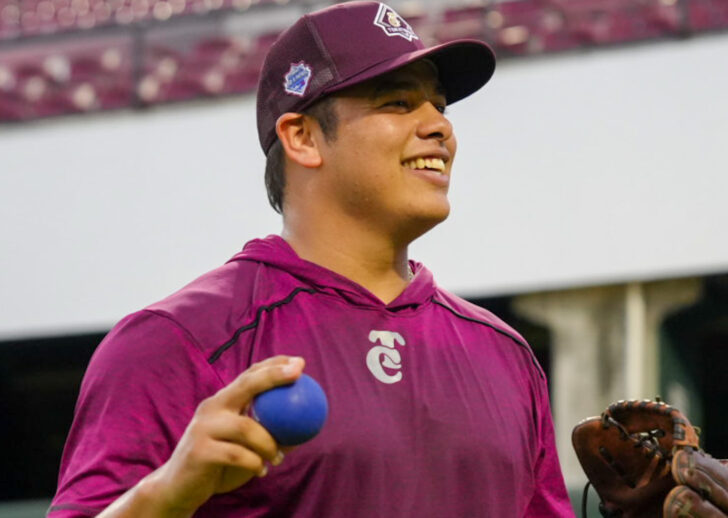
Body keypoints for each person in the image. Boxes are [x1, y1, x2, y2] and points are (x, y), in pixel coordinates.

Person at [48, 2, 574, 516]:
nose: (440, 126)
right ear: (301, 137)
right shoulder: (176, 339)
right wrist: (167, 494)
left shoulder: (506, 355)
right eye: (397, 102)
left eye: (440, 105)